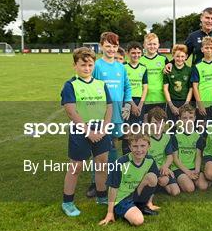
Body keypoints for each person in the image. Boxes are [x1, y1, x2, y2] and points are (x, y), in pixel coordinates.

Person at [60, 47, 112, 216]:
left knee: (102, 163)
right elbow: (71, 111)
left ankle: (102, 197)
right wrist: (88, 132)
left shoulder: (101, 85)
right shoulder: (70, 85)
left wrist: (104, 128)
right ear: (75, 65)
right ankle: (67, 202)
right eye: (83, 65)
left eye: (90, 65)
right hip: (81, 131)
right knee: (76, 166)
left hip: (101, 131)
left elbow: (109, 107)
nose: (87, 68)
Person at [86, 32, 133, 198]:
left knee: (113, 145)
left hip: (117, 115)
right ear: (101, 46)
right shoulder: (97, 66)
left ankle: (113, 178)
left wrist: (127, 104)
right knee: (99, 149)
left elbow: (127, 87)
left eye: (114, 46)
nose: (111, 49)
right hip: (100, 115)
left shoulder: (121, 67)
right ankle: (95, 182)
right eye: (108, 46)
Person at [99, 133, 160, 226]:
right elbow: (113, 188)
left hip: (135, 193)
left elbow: (153, 182)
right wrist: (110, 213)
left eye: (143, 146)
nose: (139, 150)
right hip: (122, 198)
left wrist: (150, 203)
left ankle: (142, 205)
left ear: (149, 146)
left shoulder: (150, 160)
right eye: (135, 146)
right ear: (130, 147)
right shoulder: (120, 163)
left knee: (153, 177)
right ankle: (123, 210)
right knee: (138, 220)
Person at [144, 107, 180, 210]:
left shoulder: (167, 137)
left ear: (165, 124)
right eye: (155, 123)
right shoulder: (146, 139)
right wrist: (161, 169)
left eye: (161, 122)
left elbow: (170, 156)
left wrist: (165, 166)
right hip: (151, 169)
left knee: (175, 192)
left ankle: (158, 185)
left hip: (163, 169)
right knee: (163, 180)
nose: (158, 126)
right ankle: (154, 185)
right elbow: (145, 161)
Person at [170, 104, 204, 193]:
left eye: (191, 117)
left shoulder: (198, 136)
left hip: (193, 167)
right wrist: (187, 172)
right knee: (190, 188)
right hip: (179, 168)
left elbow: (198, 156)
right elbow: (175, 159)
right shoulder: (175, 136)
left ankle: (194, 179)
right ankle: (178, 180)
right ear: (180, 119)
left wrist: (197, 170)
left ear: (195, 118)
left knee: (203, 186)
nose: (188, 120)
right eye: (185, 118)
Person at [139, 33, 169, 115]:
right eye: (149, 44)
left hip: (160, 97)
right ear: (144, 45)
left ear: (158, 45)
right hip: (145, 97)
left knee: (159, 123)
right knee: (146, 123)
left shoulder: (164, 59)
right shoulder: (140, 60)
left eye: (154, 44)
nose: (152, 46)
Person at [163, 44, 192, 122]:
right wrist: (171, 106)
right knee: (172, 127)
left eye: (182, 56)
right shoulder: (168, 70)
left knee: (184, 126)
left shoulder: (190, 70)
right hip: (172, 102)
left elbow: (191, 89)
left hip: (185, 102)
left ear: (186, 56)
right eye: (177, 56)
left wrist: (186, 104)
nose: (180, 59)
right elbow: (165, 89)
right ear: (173, 56)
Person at [124, 42, 148, 129]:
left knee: (137, 129)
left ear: (141, 53)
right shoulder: (123, 67)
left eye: (138, 53)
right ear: (128, 53)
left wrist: (140, 105)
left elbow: (145, 88)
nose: (136, 55)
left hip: (139, 102)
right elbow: (123, 88)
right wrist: (132, 104)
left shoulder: (143, 68)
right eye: (133, 53)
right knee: (127, 130)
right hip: (126, 101)